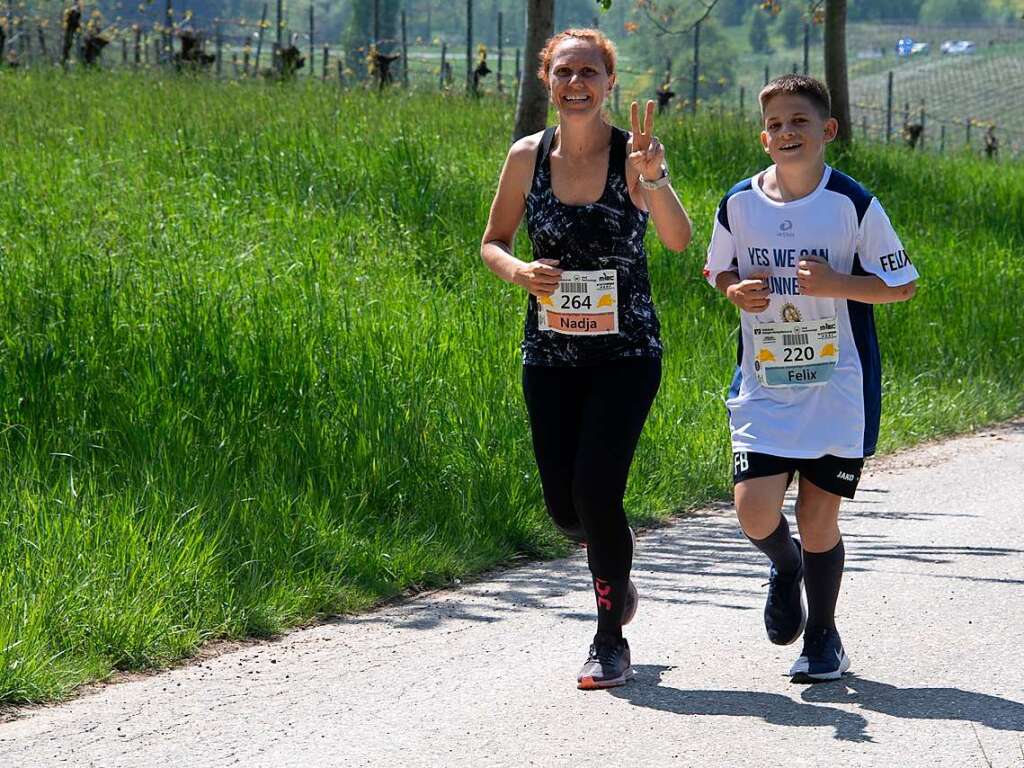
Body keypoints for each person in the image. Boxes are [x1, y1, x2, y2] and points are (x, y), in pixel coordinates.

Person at [480, 28, 691, 689]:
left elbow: (679, 239)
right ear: (548, 80)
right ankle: (614, 571)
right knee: (564, 507)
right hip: (549, 352)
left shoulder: (635, 154)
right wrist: (520, 274)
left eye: (589, 72)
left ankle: (609, 639)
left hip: (626, 354)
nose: (576, 82)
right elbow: (493, 241)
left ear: (609, 82)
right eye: (564, 71)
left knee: (598, 492)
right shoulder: (526, 156)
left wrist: (654, 181)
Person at [704, 74, 918, 682]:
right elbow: (716, 269)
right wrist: (733, 289)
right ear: (763, 136)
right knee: (752, 511)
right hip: (766, 384)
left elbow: (902, 285)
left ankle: (823, 637)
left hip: (836, 387)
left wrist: (836, 284)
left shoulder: (853, 203)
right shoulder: (739, 202)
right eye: (774, 124)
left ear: (827, 130)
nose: (785, 132)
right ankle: (785, 564)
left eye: (798, 121)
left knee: (819, 519)